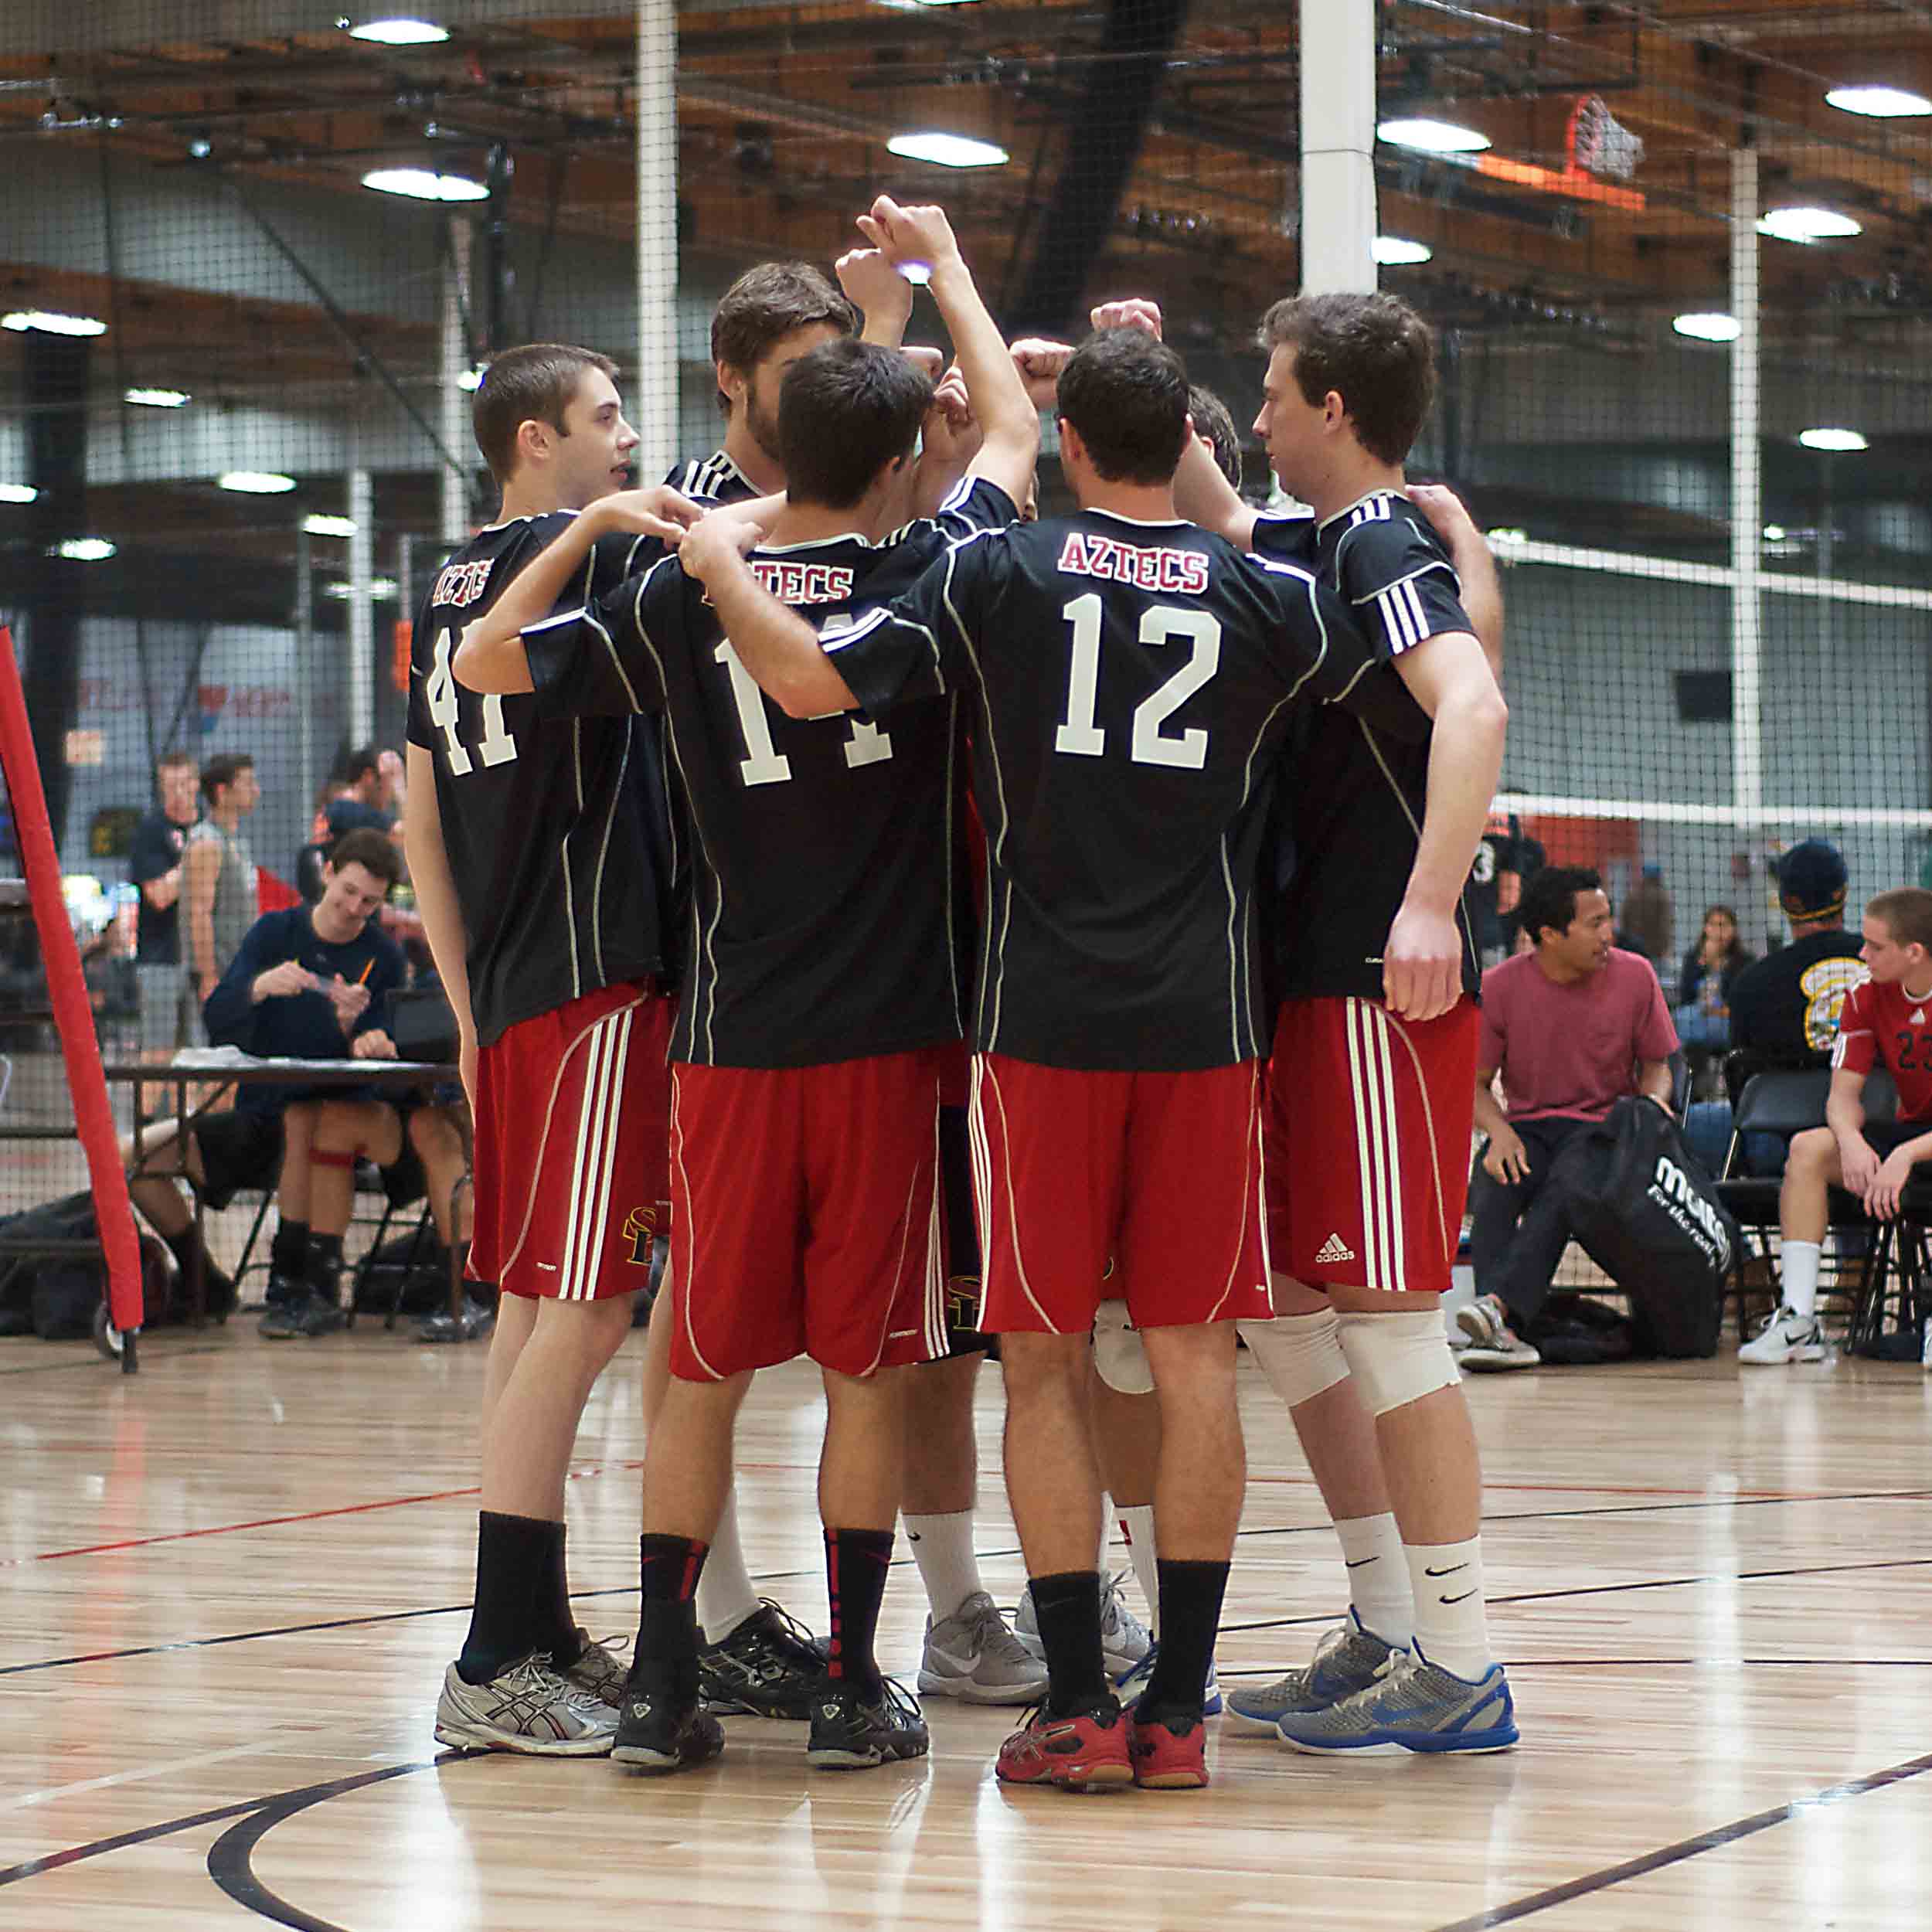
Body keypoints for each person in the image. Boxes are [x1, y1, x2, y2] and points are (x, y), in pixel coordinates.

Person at [682, 319, 1430, 1794]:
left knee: (1037, 1368)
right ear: (1189, 440)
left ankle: (1080, 1697)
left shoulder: (996, 573)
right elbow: (1384, 686)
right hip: (1209, 1030)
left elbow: (819, 684)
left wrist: (718, 563)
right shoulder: (1267, 594)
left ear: (1072, 444)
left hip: (1039, 1033)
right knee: (1195, 1359)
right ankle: (1185, 1710)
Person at [458, 196, 1039, 1776]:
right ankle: (851, 1681)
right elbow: (1008, 431)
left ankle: (659, 1679)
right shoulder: (946, 570)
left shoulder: (664, 594)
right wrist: (937, 272)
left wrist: (595, 533)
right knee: (865, 1369)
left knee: (698, 1368)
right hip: (890, 1043)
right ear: (902, 451)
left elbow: (486, 668)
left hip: (722, 1041)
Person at [1154, 287, 1515, 1756]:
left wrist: (1428, 906)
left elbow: (1472, 705)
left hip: (1380, 985)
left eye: (1274, 388)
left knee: (1388, 1321)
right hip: (1304, 980)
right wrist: (1152, 394)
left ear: (1337, 412)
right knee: (1290, 1306)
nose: (1263, 408)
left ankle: (1465, 1658)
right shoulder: (1322, 539)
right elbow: (1234, 530)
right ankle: (1384, 1620)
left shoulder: (1375, 536)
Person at [396, 341, 702, 1755]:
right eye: (606, 416)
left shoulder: (439, 586)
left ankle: (531, 1622)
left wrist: (463, 1015)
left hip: (516, 994)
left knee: (532, 1314)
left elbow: (417, 828)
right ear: (534, 442)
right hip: (588, 979)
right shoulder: (580, 561)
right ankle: (487, 1657)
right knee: (581, 1314)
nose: (631, 439)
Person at [123, 828, 409, 1322]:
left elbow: (387, 1047)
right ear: (327, 874)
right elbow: (219, 1019)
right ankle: (203, 1280)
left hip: (330, 1128)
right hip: (257, 1119)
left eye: (370, 902)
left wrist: (364, 1035)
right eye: (348, 892)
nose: (354, 908)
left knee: (305, 1119)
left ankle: (295, 1278)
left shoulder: (385, 958)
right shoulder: (274, 933)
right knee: (132, 1157)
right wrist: (258, 987)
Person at [1459, 865, 1679, 1369]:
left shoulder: (1636, 975)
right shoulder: (1499, 987)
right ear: (1550, 936)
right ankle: (1501, 1325)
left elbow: (1657, 1066)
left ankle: (1499, 1315)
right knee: (1494, 1178)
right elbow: (1473, 1086)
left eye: (1608, 919)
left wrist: (1648, 1110)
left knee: (1570, 1178)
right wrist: (1498, 1133)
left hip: (1606, 1132)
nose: (1609, 933)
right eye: (1595, 923)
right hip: (1532, 1129)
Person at [1740, 888, 1932, 1366]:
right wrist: (1850, 1142)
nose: (1860, 954)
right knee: (1808, 1149)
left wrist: (1905, 1157)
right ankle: (1799, 1321)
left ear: (1914, 953)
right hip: (1910, 1132)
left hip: (1920, 1147)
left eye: (1874, 946)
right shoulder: (1864, 995)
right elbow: (1842, 1097)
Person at [128, 749, 202, 1061]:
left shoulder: (208, 828)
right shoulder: (151, 831)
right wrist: (198, 858)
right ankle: (149, 1113)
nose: (178, 794)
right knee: (159, 1053)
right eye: (170, 787)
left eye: (184, 784)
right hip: (160, 959)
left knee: (204, 1052)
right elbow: (159, 895)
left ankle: (203, 1113)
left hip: (204, 959)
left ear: (197, 784)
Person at [182, 753, 259, 1009]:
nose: (255, 791)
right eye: (247, 783)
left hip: (239, 969)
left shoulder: (237, 842)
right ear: (223, 792)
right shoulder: (207, 842)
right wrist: (208, 977)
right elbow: (200, 913)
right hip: (219, 975)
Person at [1621, 862, 1674, 968]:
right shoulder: (1662, 896)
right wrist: (1665, 948)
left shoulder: (1633, 895)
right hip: (1656, 952)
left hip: (1633, 949)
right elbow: (1665, 925)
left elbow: (1624, 920)